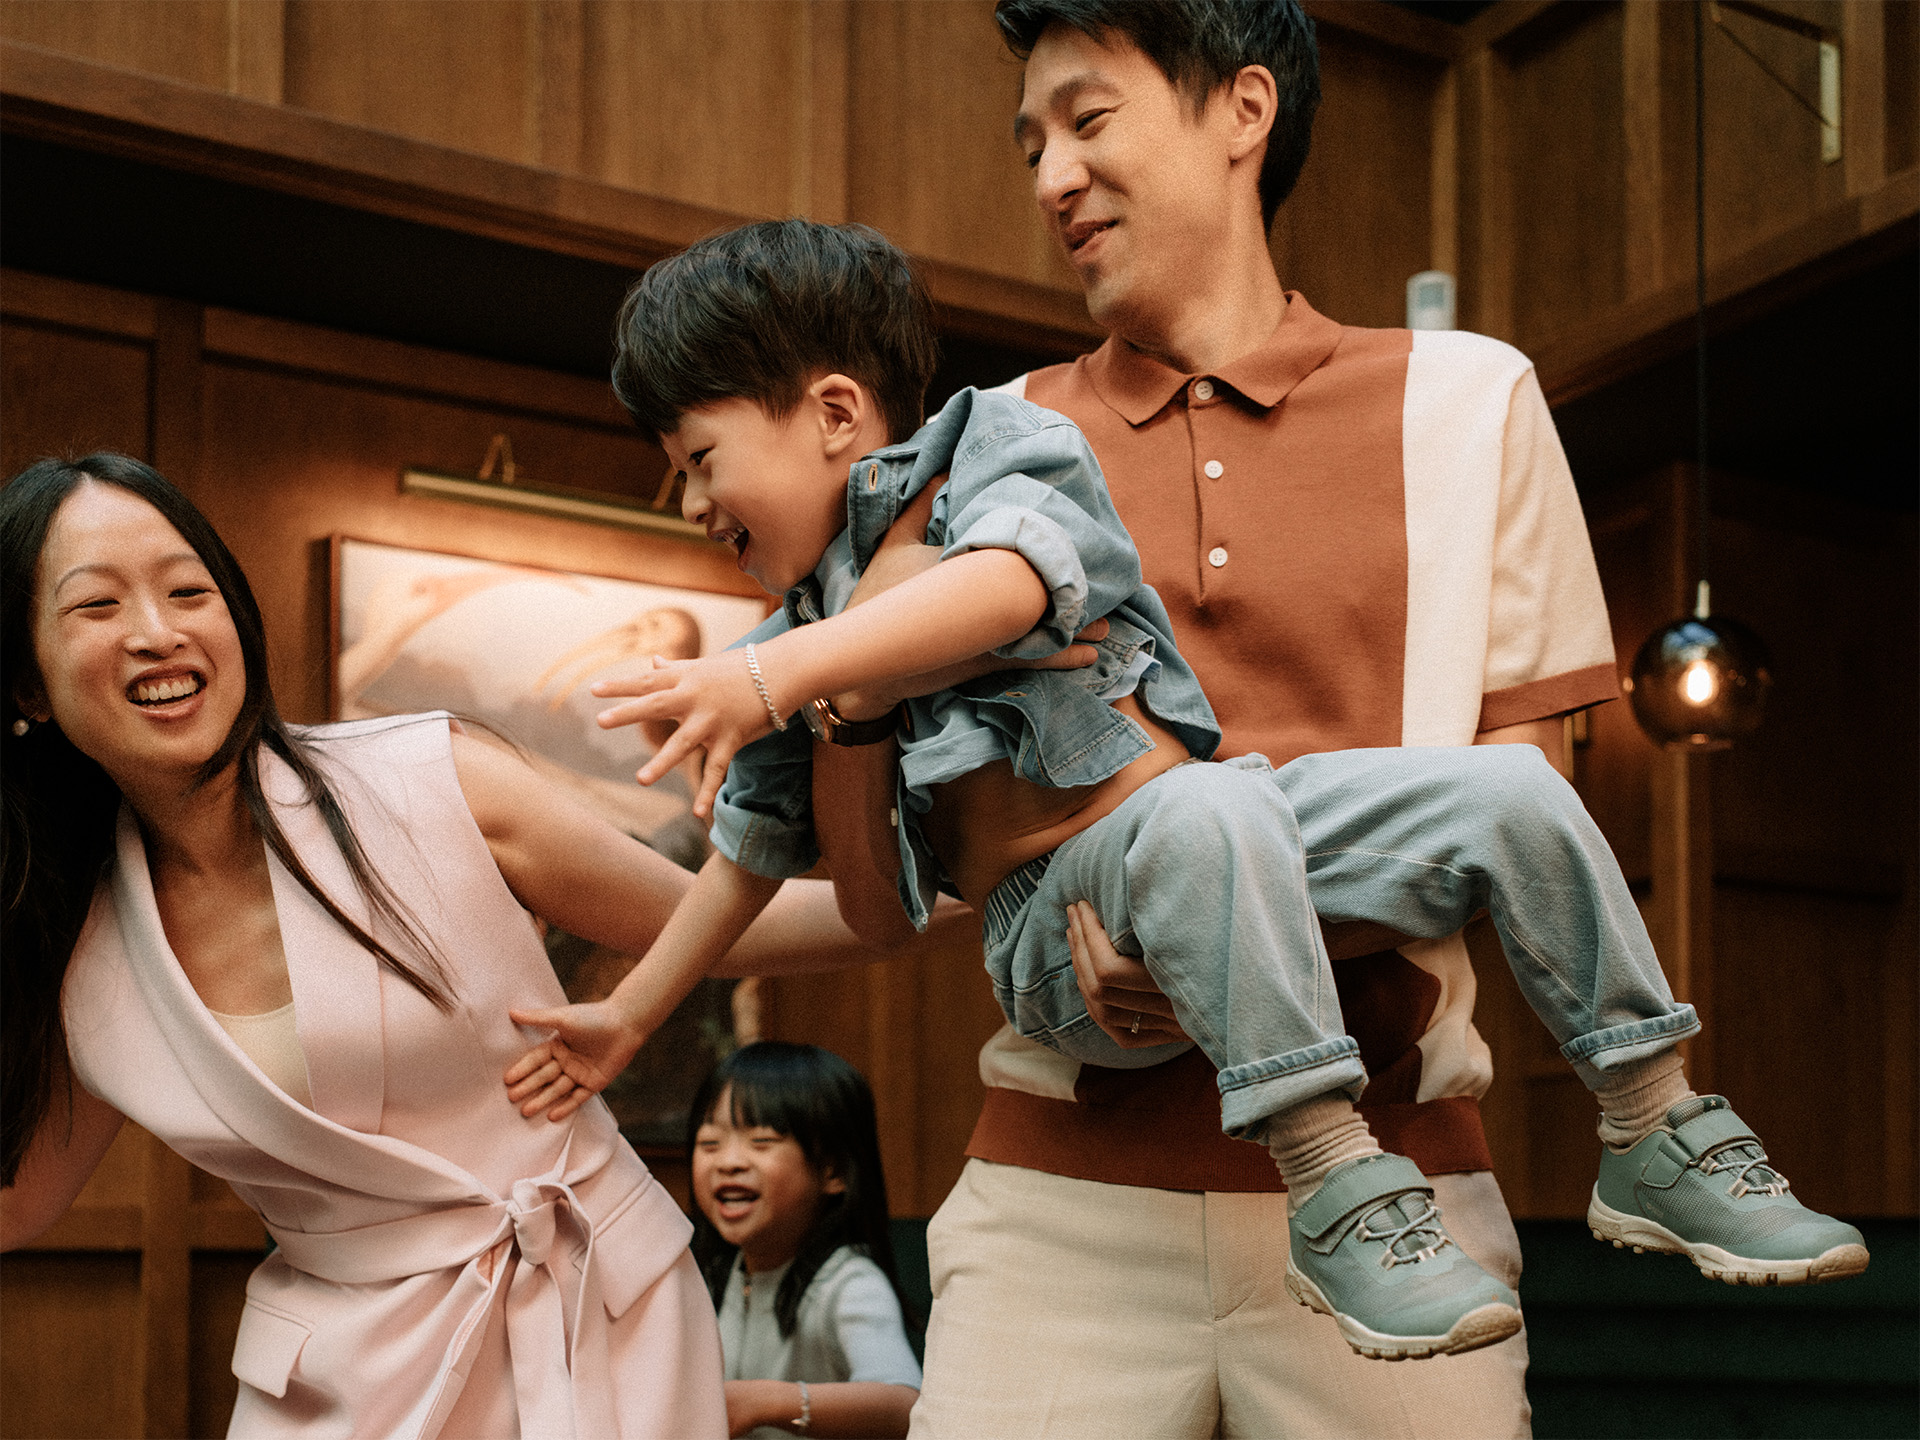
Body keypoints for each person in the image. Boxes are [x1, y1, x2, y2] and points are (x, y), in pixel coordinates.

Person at [768, 3, 1864, 1434]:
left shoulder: (1472, 403)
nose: (1048, 178)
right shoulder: (987, 440)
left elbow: (1505, 819)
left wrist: (1207, 927)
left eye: (1088, 121)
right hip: (1064, 1202)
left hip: (1406, 1181)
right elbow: (934, 851)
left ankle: (1654, 1124)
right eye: (1030, 143)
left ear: (1244, 109)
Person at [501, 217, 1862, 1366]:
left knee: (1504, 793)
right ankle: (1330, 1178)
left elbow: (1019, 581)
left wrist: (785, 672)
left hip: (1222, 818)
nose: (690, 502)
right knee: (1202, 815)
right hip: (1057, 924)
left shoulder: (996, 451)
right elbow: (746, 868)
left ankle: (1652, 1122)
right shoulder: (782, 660)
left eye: (697, 459)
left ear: (836, 416)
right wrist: (629, 1011)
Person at [0, 453, 885, 1437]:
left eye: (186, 590)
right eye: (96, 608)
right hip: (340, 1384)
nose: (157, 632)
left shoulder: (429, 780)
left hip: (598, 1327)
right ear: (27, 685)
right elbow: (17, 1203)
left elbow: (710, 924)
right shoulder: (75, 958)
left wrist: (973, 887)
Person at [689, 1042, 921, 1439]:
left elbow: (905, 1405)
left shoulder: (849, 1284)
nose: (728, 1161)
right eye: (710, 1143)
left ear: (832, 1170)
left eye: (761, 1142)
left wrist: (765, 1403)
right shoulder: (709, 1275)